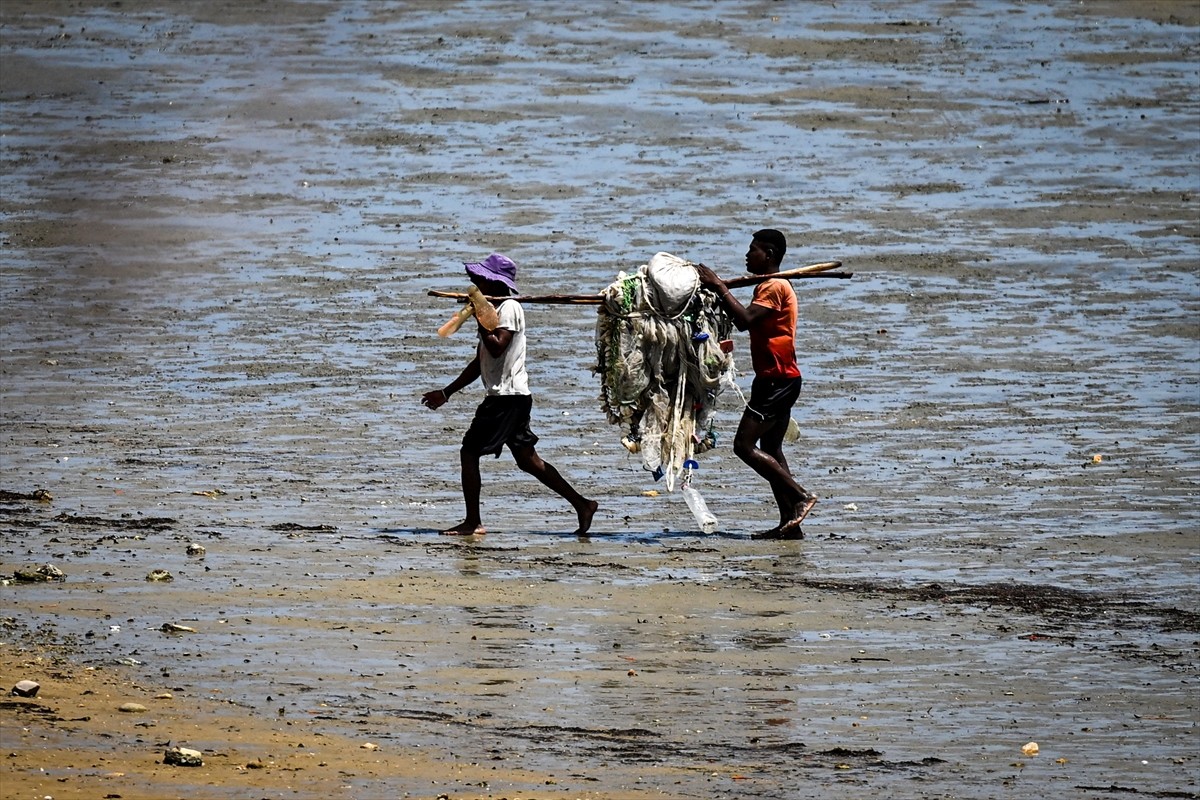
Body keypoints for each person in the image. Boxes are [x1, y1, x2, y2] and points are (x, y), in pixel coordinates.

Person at [421, 253, 598, 536]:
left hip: (507, 398)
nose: (474, 284)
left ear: (492, 282)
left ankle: (473, 522)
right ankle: (583, 504)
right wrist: (447, 392)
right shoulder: (494, 309)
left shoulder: (510, 308)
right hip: (510, 397)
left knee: (469, 452)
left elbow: (497, 346)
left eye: (479, 281)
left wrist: (480, 313)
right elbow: (481, 361)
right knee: (529, 461)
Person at [695, 229, 818, 539]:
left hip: (778, 380)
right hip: (777, 378)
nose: (747, 256)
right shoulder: (769, 285)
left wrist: (719, 286)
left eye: (753, 251)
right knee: (771, 447)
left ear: (770, 255)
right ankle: (791, 525)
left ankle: (801, 496)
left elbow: (745, 321)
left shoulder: (774, 286)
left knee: (743, 446)